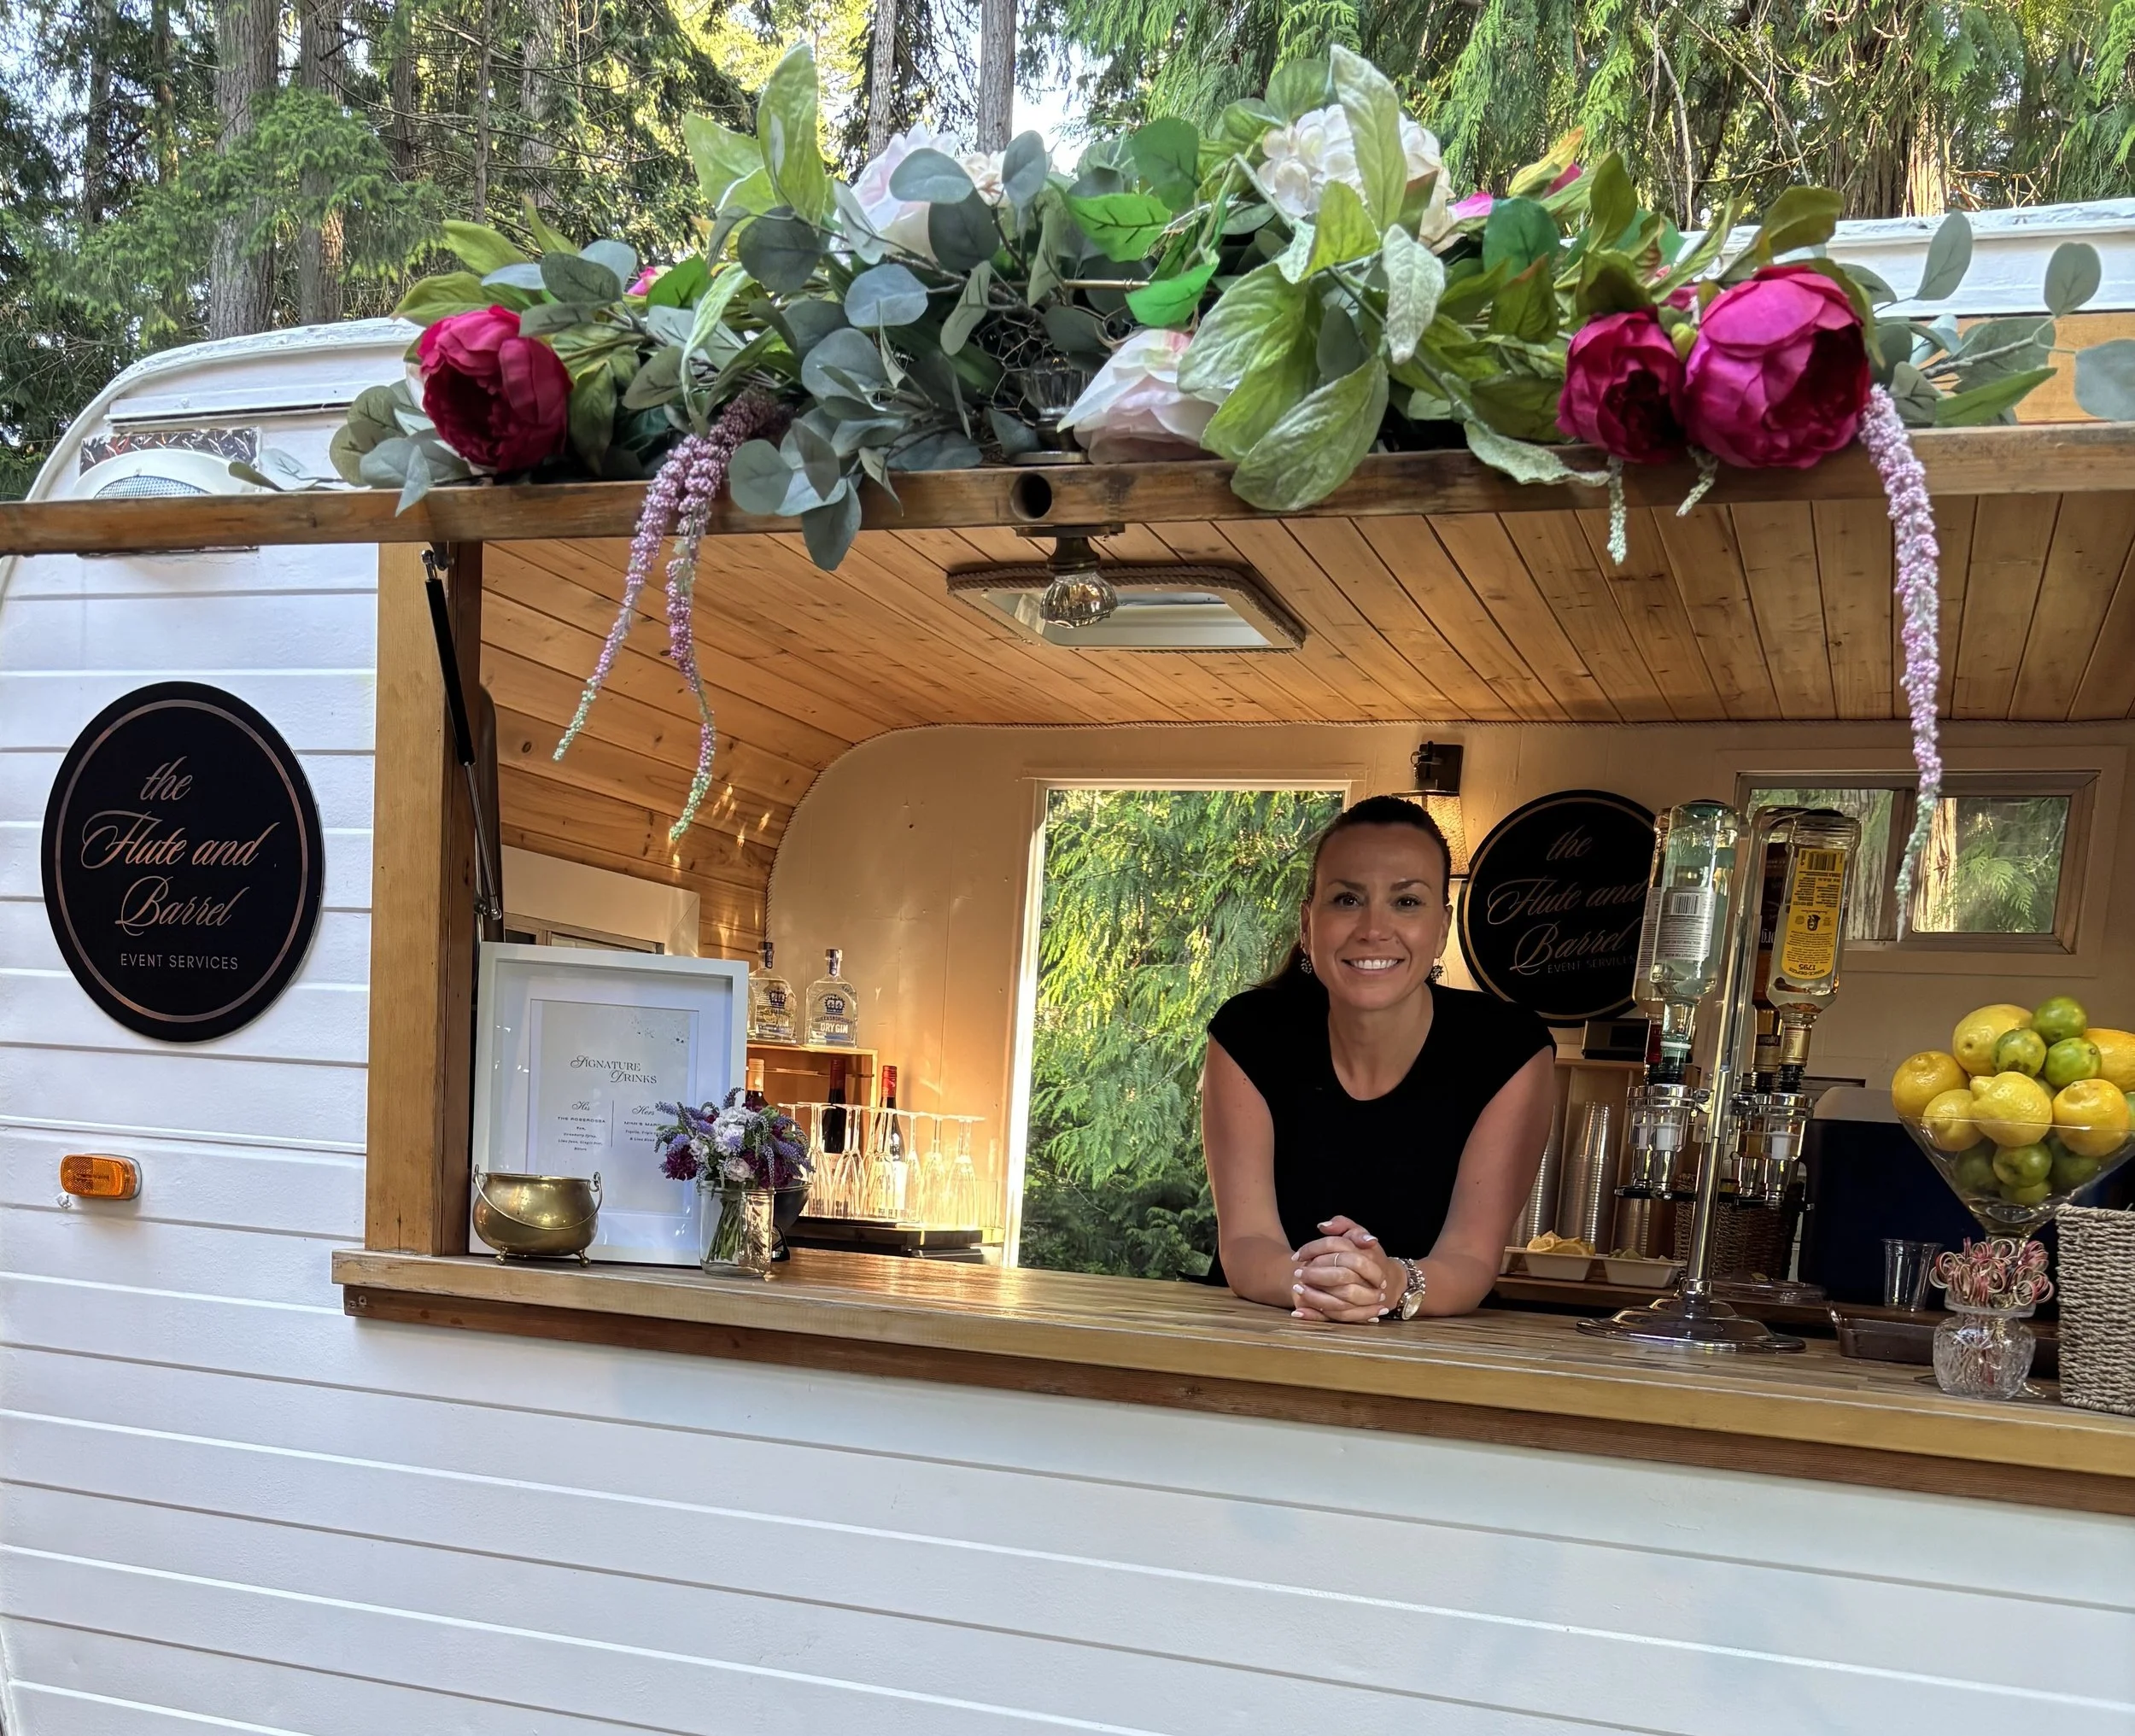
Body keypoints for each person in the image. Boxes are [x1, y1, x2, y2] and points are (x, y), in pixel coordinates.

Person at [1202, 795, 1556, 1322]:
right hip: (1259, 1336)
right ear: (1308, 925)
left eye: (1407, 902)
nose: (1373, 928)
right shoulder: (1249, 1032)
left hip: (1434, 1357)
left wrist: (1392, 1284)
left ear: (1440, 927)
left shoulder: (1507, 1048)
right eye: (1347, 900)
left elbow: (1469, 1260)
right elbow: (1248, 1242)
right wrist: (1310, 1282)